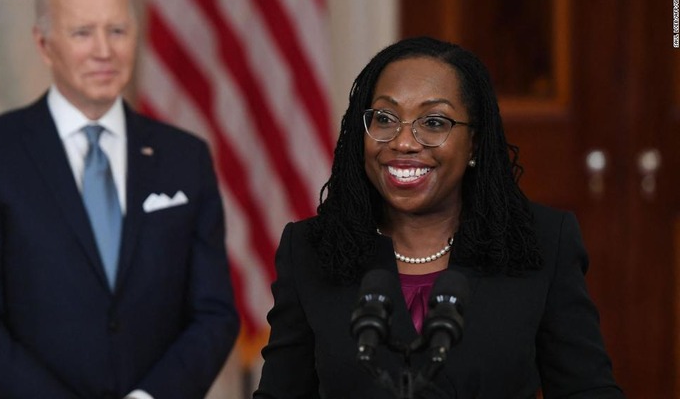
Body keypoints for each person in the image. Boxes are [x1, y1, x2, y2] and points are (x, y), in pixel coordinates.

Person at [254, 36, 623, 398]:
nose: (403, 142)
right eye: (385, 118)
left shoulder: (543, 243)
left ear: (475, 142)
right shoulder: (310, 251)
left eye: (433, 122)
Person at [0, 0, 239, 398]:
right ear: (44, 44)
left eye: (117, 30)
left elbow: (214, 313)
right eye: (82, 33)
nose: (104, 51)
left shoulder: (185, 158)